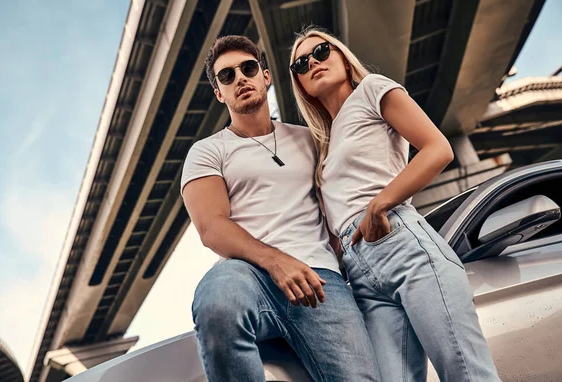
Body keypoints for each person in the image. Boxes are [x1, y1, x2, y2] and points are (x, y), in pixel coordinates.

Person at [289, 27, 501, 382]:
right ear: (299, 82)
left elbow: (438, 149)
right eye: (301, 63)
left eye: (322, 51)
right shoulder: (324, 144)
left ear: (342, 56)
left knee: (466, 373)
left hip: (402, 245)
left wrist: (379, 204)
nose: (313, 62)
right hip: (361, 275)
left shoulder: (371, 89)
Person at [180, 35, 380, 382]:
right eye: (227, 76)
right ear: (219, 94)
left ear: (266, 76)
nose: (240, 78)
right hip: (246, 274)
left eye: (248, 68)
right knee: (217, 305)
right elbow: (211, 227)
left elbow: (337, 205)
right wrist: (276, 261)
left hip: (319, 278)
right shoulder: (207, 150)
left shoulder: (310, 138)